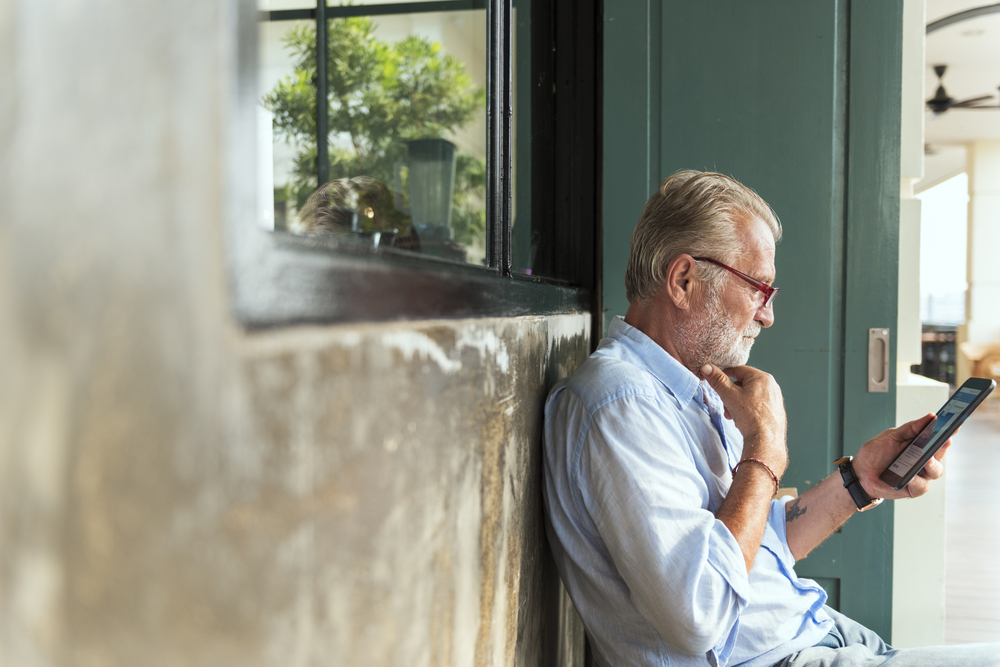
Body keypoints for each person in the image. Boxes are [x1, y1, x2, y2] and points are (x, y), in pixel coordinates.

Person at [542, 170, 999, 667]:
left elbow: (748, 546)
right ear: (683, 280)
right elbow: (699, 612)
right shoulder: (621, 405)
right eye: (759, 288)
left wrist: (859, 481)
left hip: (820, 633)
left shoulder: (688, 386)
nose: (767, 316)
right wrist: (764, 452)